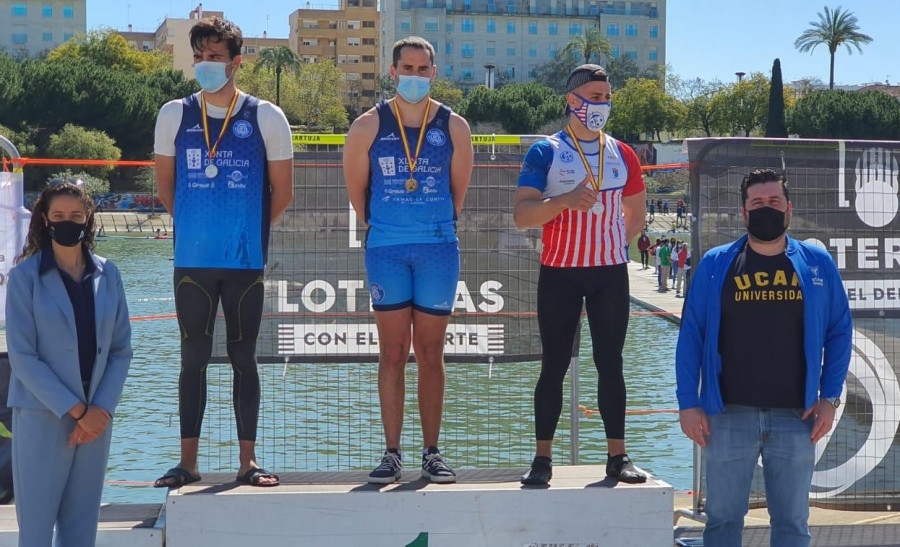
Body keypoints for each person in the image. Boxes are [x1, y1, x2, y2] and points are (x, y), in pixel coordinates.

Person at [676, 168, 852, 546]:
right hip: (726, 416)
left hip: (797, 416)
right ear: (743, 211)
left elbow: (840, 331)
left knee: (791, 523)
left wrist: (829, 397)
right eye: (757, 203)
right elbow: (691, 335)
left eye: (774, 202)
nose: (766, 209)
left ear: (789, 209)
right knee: (722, 521)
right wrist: (688, 402)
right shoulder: (715, 265)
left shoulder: (817, 265)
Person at [153, 16, 294, 488]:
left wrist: (240, 231)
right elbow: (167, 191)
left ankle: (247, 462)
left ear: (236, 62)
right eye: (199, 57)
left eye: (214, 57)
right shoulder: (174, 113)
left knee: (242, 358)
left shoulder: (266, 116)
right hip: (191, 262)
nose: (205, 65)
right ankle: (188, 463)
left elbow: (283, 194)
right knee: (192, 359)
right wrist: (200, 227)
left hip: (244, 262)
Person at [343, 36, 473, 484]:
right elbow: (359, 197)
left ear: (433, 74)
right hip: (387, 249)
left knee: (432, 353)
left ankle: (432, 453)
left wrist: (429, 224)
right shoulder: (366, 126)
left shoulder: (454, 127)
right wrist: (389, 227)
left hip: (438, 248)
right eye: (407, 68)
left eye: (423, 69)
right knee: (393, 353)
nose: (415, 76)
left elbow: (458, 196)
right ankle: (392, 452)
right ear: (392, 71)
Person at [513, 64, 647, 485]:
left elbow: (637, 215)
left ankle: (617, 457)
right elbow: (521, 216)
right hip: (560, 274)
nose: (601, 104)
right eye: (594, 96)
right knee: (553, 366)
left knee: (611, 364)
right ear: (572, 101)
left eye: (607, 97)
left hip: (609, 275)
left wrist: (610, 248)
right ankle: (542, 460)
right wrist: (566, 201)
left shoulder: (622, 153)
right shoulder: (545, 151)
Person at [6, 182, 132, 546]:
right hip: (43, 415)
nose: (67, 222)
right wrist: (79, 412)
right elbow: (23, 357)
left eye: (76, 216)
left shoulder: (110, 275)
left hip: (97, 419)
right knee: (36, 530)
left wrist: (101, 410)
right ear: (45, 219)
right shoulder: (24, 278)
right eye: (59, 216)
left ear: (88, 218)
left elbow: (121, 351)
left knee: (82, 528)